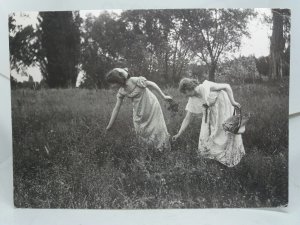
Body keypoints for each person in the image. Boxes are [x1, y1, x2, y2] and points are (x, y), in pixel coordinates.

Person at [172, 78, 246, 167]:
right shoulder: (192, 99)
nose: (186, 95)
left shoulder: (205, 86)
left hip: (222, 106)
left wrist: (233, 102)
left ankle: (228, 156)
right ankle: (215, 156)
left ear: (187, 89)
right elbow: (187, 118)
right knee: (208, 134)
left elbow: (227, 86)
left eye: (185, 92)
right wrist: (179, 133)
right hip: (211, 112)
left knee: (225, 131)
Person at [105, 68, 172, 151]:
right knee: (140, 129)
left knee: (156, 127)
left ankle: (161, 149)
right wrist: (110, 125)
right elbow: (116, 108)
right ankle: (149, 150)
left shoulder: (134, 80)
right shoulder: (121, 91)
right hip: (139, 109)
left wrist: (164, 96)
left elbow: (152, 84)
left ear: (117, 80)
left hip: (151, 105)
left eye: (112, 83)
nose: (112, 86)